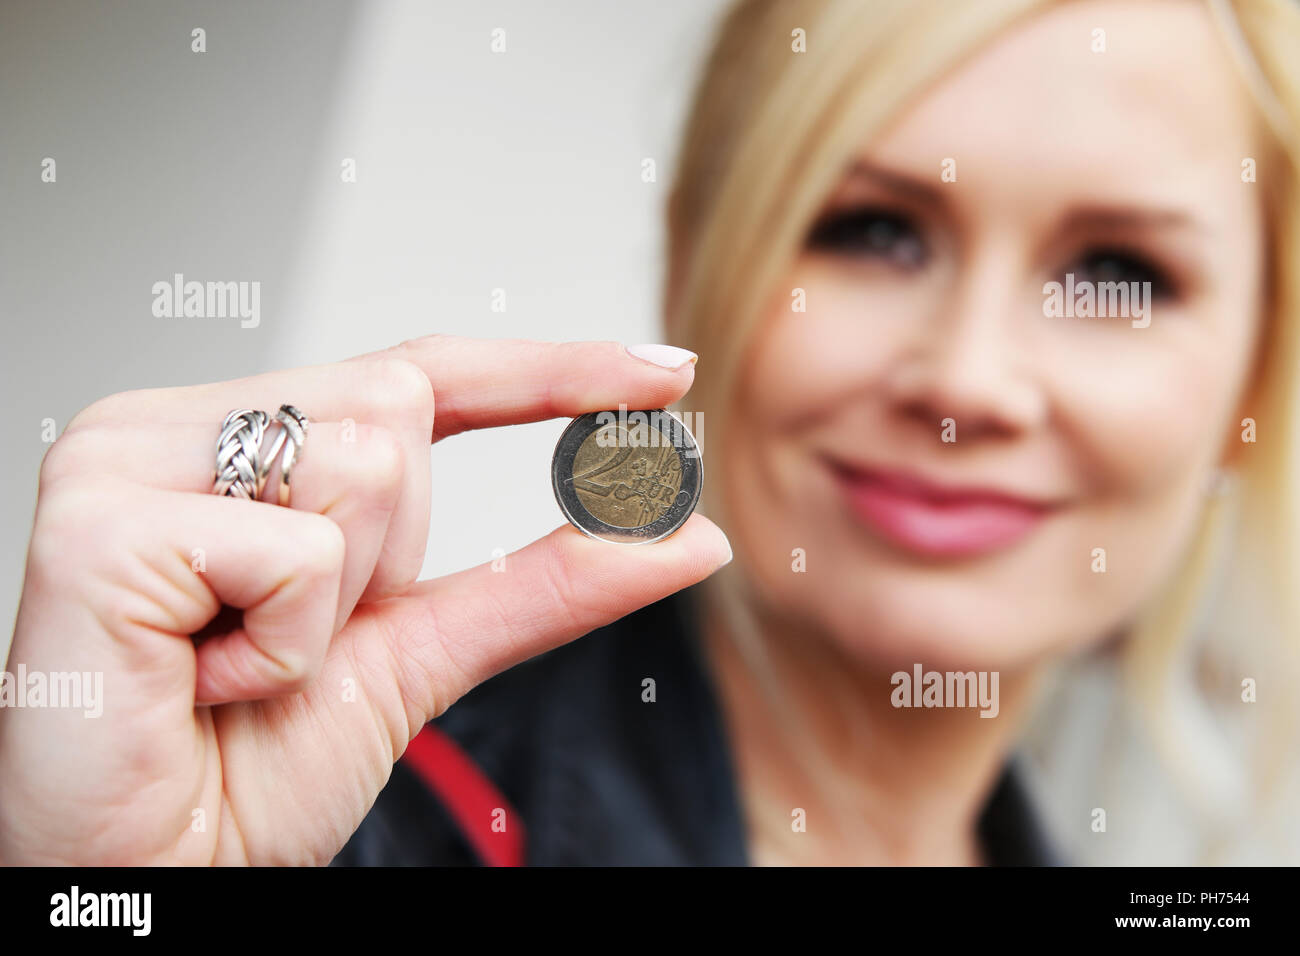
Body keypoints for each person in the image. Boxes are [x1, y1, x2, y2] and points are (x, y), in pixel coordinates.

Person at [4, 0, 1299, 866]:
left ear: (1255, 375)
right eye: (873, 230)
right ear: (697, 270)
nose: (968, 380)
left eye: (1118, 274)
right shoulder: (337, 833)